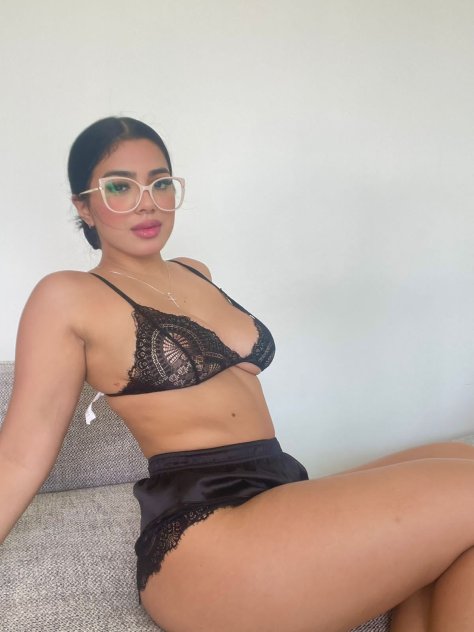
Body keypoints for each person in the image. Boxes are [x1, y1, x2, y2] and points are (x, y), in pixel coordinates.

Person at [1, 116, 473, 632]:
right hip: (205, 535)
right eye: (120, 187)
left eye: (160, 183)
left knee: (460, 459)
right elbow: (19, 457)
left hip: (276, 492)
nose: (147, 202)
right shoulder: (67, 296)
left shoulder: (194, 272)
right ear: (83, 205)